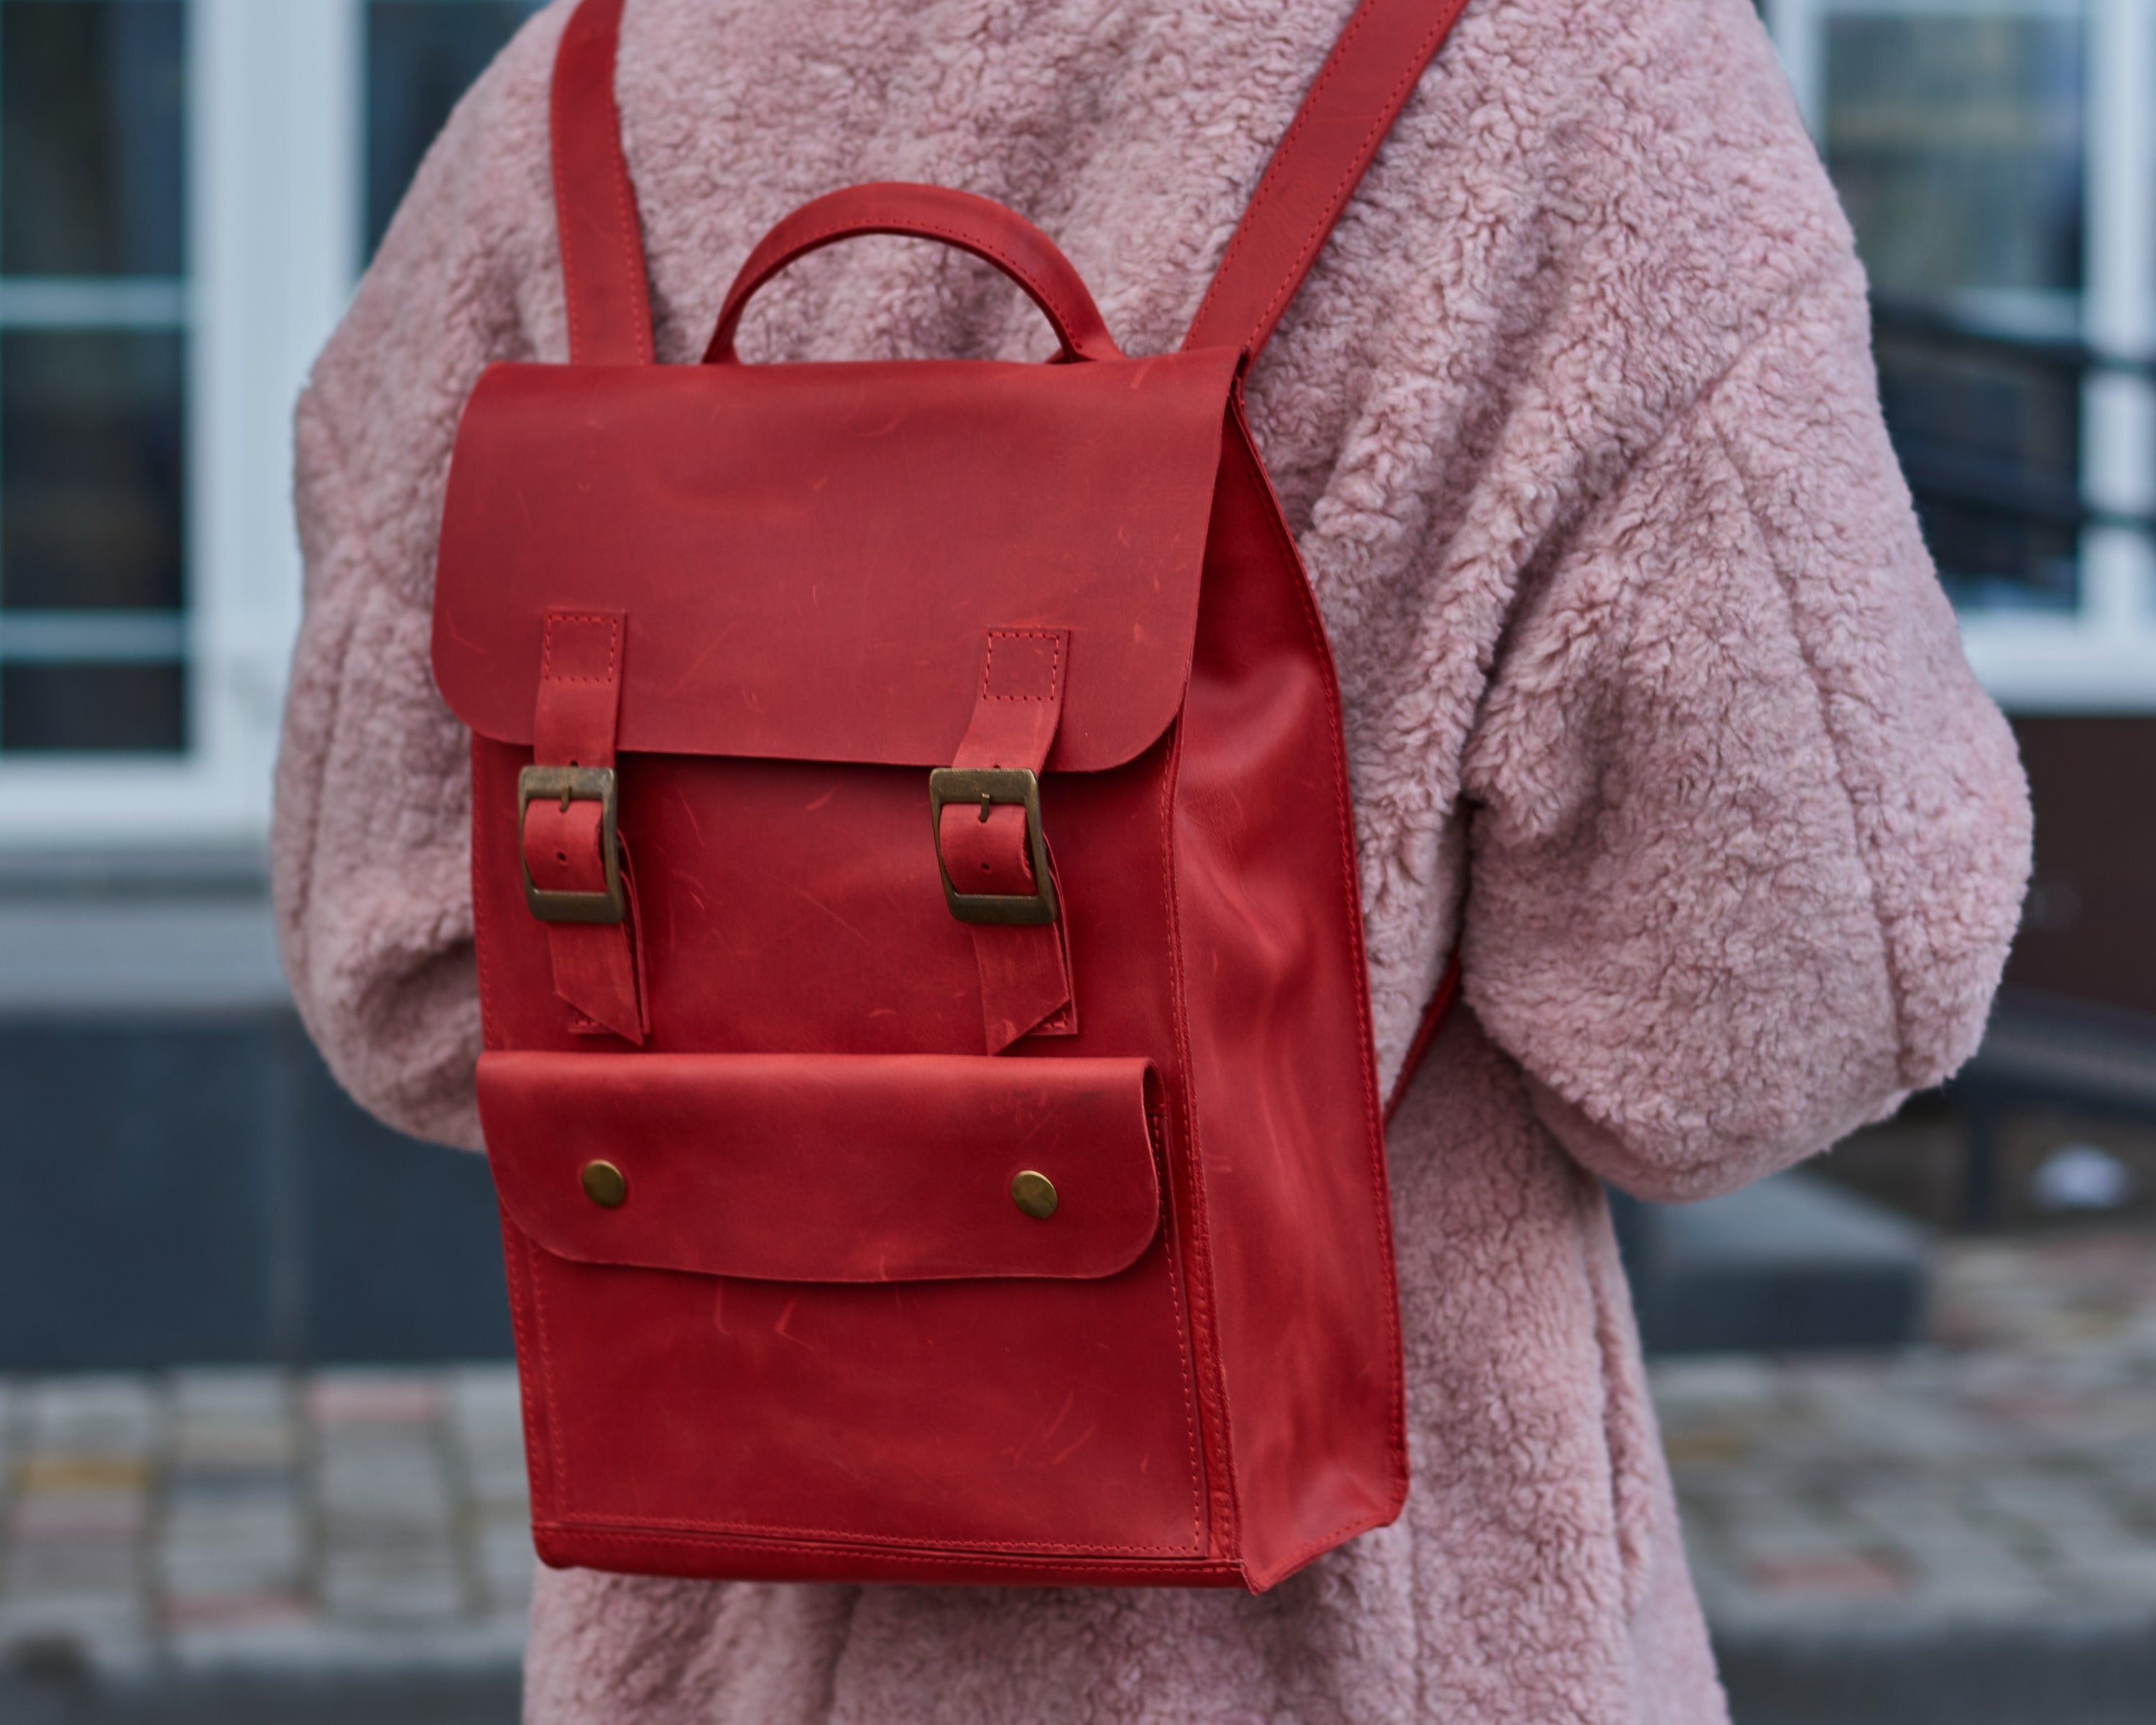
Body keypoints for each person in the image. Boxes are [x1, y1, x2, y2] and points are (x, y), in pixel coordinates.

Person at [271, 0, 2031, 1719]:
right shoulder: (1585, 72)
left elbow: (402, 971)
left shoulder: (580, 83)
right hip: (1372, 1640)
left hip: (721, 1643)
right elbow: (1781, 1013)